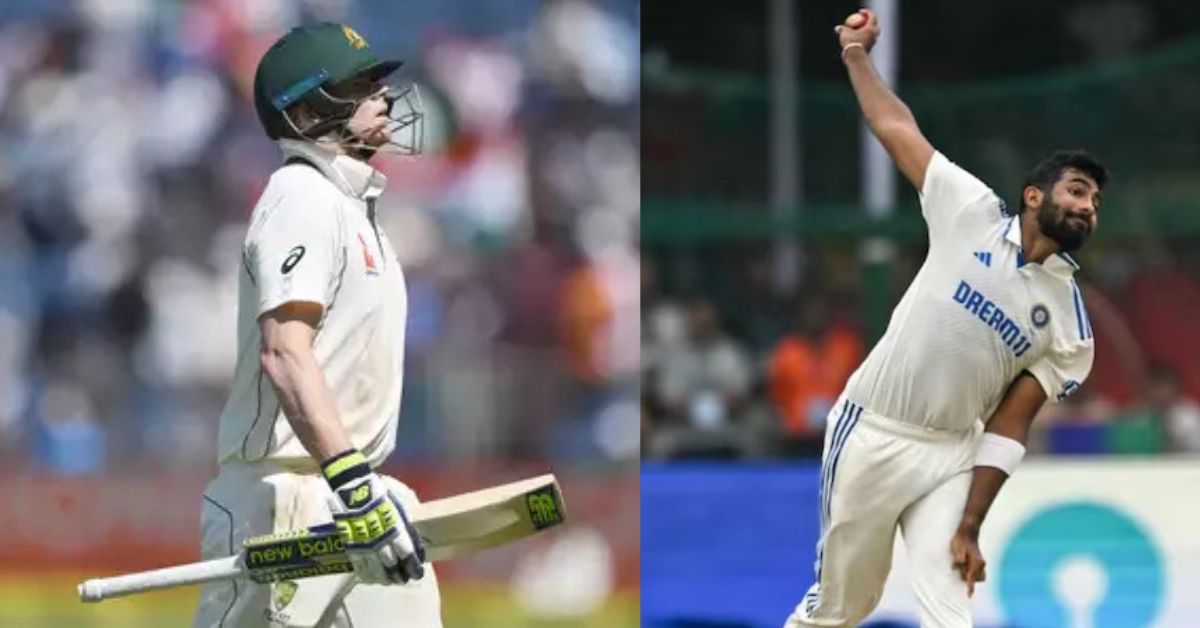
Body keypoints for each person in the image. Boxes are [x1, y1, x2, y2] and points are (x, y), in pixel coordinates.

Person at [786, 9, 1106, 628]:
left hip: (953, 453)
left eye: (1094, 200)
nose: (1087, 206)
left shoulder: (1068, 323)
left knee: (949, 607)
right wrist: (856, 56)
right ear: (1034, 196)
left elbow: (1010, 427)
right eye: (1076, 190)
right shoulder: (972, 212)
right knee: (842, 607)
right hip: (872, 432)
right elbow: (894, 125)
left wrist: (970, 523)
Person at [193, 22, 441, 627]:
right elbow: (283, 352)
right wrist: (351, 484)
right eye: (358, 86)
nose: (382, 97)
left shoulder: (355, 208)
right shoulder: (299, 195)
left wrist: (360, 488)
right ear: (304, 112)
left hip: (355, 490)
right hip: (282, 499)